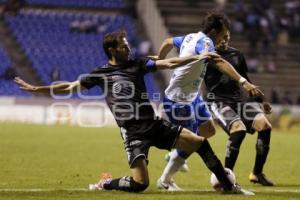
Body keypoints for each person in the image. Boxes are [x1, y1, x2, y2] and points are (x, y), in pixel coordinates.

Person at [14, 31, 254, 195]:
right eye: (123, 46)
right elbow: (69, 86)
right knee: (140, 185)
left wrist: (198, 57)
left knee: (200, 142)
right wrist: (37, 88)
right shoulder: (100, 74)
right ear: (111, 49)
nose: (128, 48)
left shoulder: (138, 64)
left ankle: (228, 186)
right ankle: (106, 183)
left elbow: (169, 64)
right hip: (132, 133)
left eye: (128, 45)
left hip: (154, 124)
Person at [151, 12, 263, 191]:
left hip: (193, 97)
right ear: (214, 31)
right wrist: (243, 82)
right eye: (223, 33)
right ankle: (165, 181)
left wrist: (160, 58)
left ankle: (176, 153)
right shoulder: (206, 42)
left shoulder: (190, 37)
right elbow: (219, 62)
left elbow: (168, 41)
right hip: (179, 101)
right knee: (193, 142)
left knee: (209, 130)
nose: (224, 37)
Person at [204, 29, 274, 186]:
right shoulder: (207, 56)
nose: (224, 40)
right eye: (221, 38)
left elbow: (246, 80)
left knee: (265, 125)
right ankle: (227, 177)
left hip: (238, 101)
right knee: (238, 129)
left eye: (227, 37)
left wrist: (260, 101)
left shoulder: (237, 55)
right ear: (214, 38)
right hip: (217, 102)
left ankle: (256, 173)